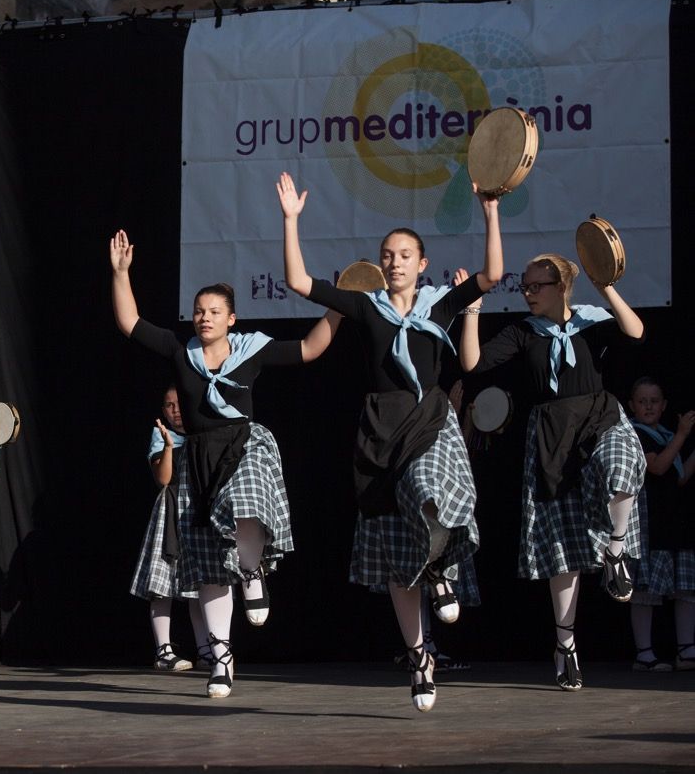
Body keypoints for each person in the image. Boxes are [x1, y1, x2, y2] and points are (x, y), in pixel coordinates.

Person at [278, 173, 503, 711]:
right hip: (380, 428)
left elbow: (493, 274)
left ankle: (443, 569)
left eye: (405, 254)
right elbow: (299, 282)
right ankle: (420, 659)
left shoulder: (441, 305)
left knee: (431, 491)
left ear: (422, 264)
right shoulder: (366, 306)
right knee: (401, 557)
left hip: (428, 417)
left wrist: (491, 211)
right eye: (388, 255)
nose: (395, 261)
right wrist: (291, 221)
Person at [110, 229, 341, 698]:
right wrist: (120, 273)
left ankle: (254, 573)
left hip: (243, 444)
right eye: (199, 311)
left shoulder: (251, 350)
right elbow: (130, 322)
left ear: (231, 319)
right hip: (197, 456)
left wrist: (339, 307)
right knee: (211, 566)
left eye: (214, 312)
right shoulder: (182, 352)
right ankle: (221, 658)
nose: (204, 318)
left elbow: (310, 349)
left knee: (247, 498)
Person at [460, 251, 645, 692]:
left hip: (600, 417)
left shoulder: (592, 319)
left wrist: (607, 288)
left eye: (535, 286)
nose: (527, 293)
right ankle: (565, 645)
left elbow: (636, 332)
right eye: (524, 286)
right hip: (552, 436)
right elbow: (472, 364)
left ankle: (616, 550)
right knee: (564, 549)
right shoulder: (525, 332)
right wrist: (471, 311)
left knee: (622, 463)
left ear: (561, 286)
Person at [129, 386, 208, 671]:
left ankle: (206, 650)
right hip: (170, 511)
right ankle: (163, 651)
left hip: (197, 513)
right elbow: (164, 479)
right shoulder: (162, 437)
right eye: (168, 405)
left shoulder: (204, 433)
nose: (174, 410)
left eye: (178, 404)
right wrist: (168, 446)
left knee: (200, 586)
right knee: (161, 584)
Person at [625, 377, 695, 672]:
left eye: (654, 401)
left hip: (675, 523)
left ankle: (686, 649)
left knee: (686, 587)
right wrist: (682, 434)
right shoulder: (634, 434)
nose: (649, 406)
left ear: (664, 405)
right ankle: (644, 653)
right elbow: (658, 466)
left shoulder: (665, 435)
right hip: (649, 526)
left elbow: (679, 476)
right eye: (643, 401)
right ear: (632, 405)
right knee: (646, 590)